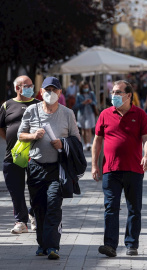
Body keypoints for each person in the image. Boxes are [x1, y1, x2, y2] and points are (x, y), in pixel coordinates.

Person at [18, 77, 80, 260]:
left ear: (60, 93)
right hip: (35, 166)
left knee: (53, 204)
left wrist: (63, 143)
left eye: (54, 90)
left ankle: (53, 246)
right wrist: (33, 135)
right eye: (47, 89)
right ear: (41, 91)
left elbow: (76, 139)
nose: (50, 93)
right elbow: (20, 135)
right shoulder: (31, 110)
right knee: (38, 207)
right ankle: (42, 245)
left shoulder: (67, 113)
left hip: (57, 169)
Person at [92, 80, 147, 257]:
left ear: (128, 95)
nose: (114, 95)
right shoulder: (105, 114)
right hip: (110, 170)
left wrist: (146, 156)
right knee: (111, 207)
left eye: (118, 92)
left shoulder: (139, 114)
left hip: (134, 169)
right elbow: (97, 141)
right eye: (113, 92)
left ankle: (131, 244)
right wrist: (94, 164)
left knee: (134, 208)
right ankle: (110, 245)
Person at [0, 75, 39, 234]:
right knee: (15, 190)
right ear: (17, 88)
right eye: (26, 85)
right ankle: (21, 221)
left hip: (36, 155)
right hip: (13, 156)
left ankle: (34, 213)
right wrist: (13, 142)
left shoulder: (38, 104)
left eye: (31, 85)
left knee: (36, 188)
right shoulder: (7, 105)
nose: (30, 88)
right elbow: (1, 128)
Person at [75, 81, 97, 151]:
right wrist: (83, 103)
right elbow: (76, 106)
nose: (86, 88)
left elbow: (95, 102)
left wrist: (91, 102)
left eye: (87, 87)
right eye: (84, 87)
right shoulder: (78, 95)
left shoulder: (91, 94)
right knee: (83, 129)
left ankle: (88, 143)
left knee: (89, 128)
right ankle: (85, 144)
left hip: (90, 112)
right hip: (82, 113)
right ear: (81, 88)